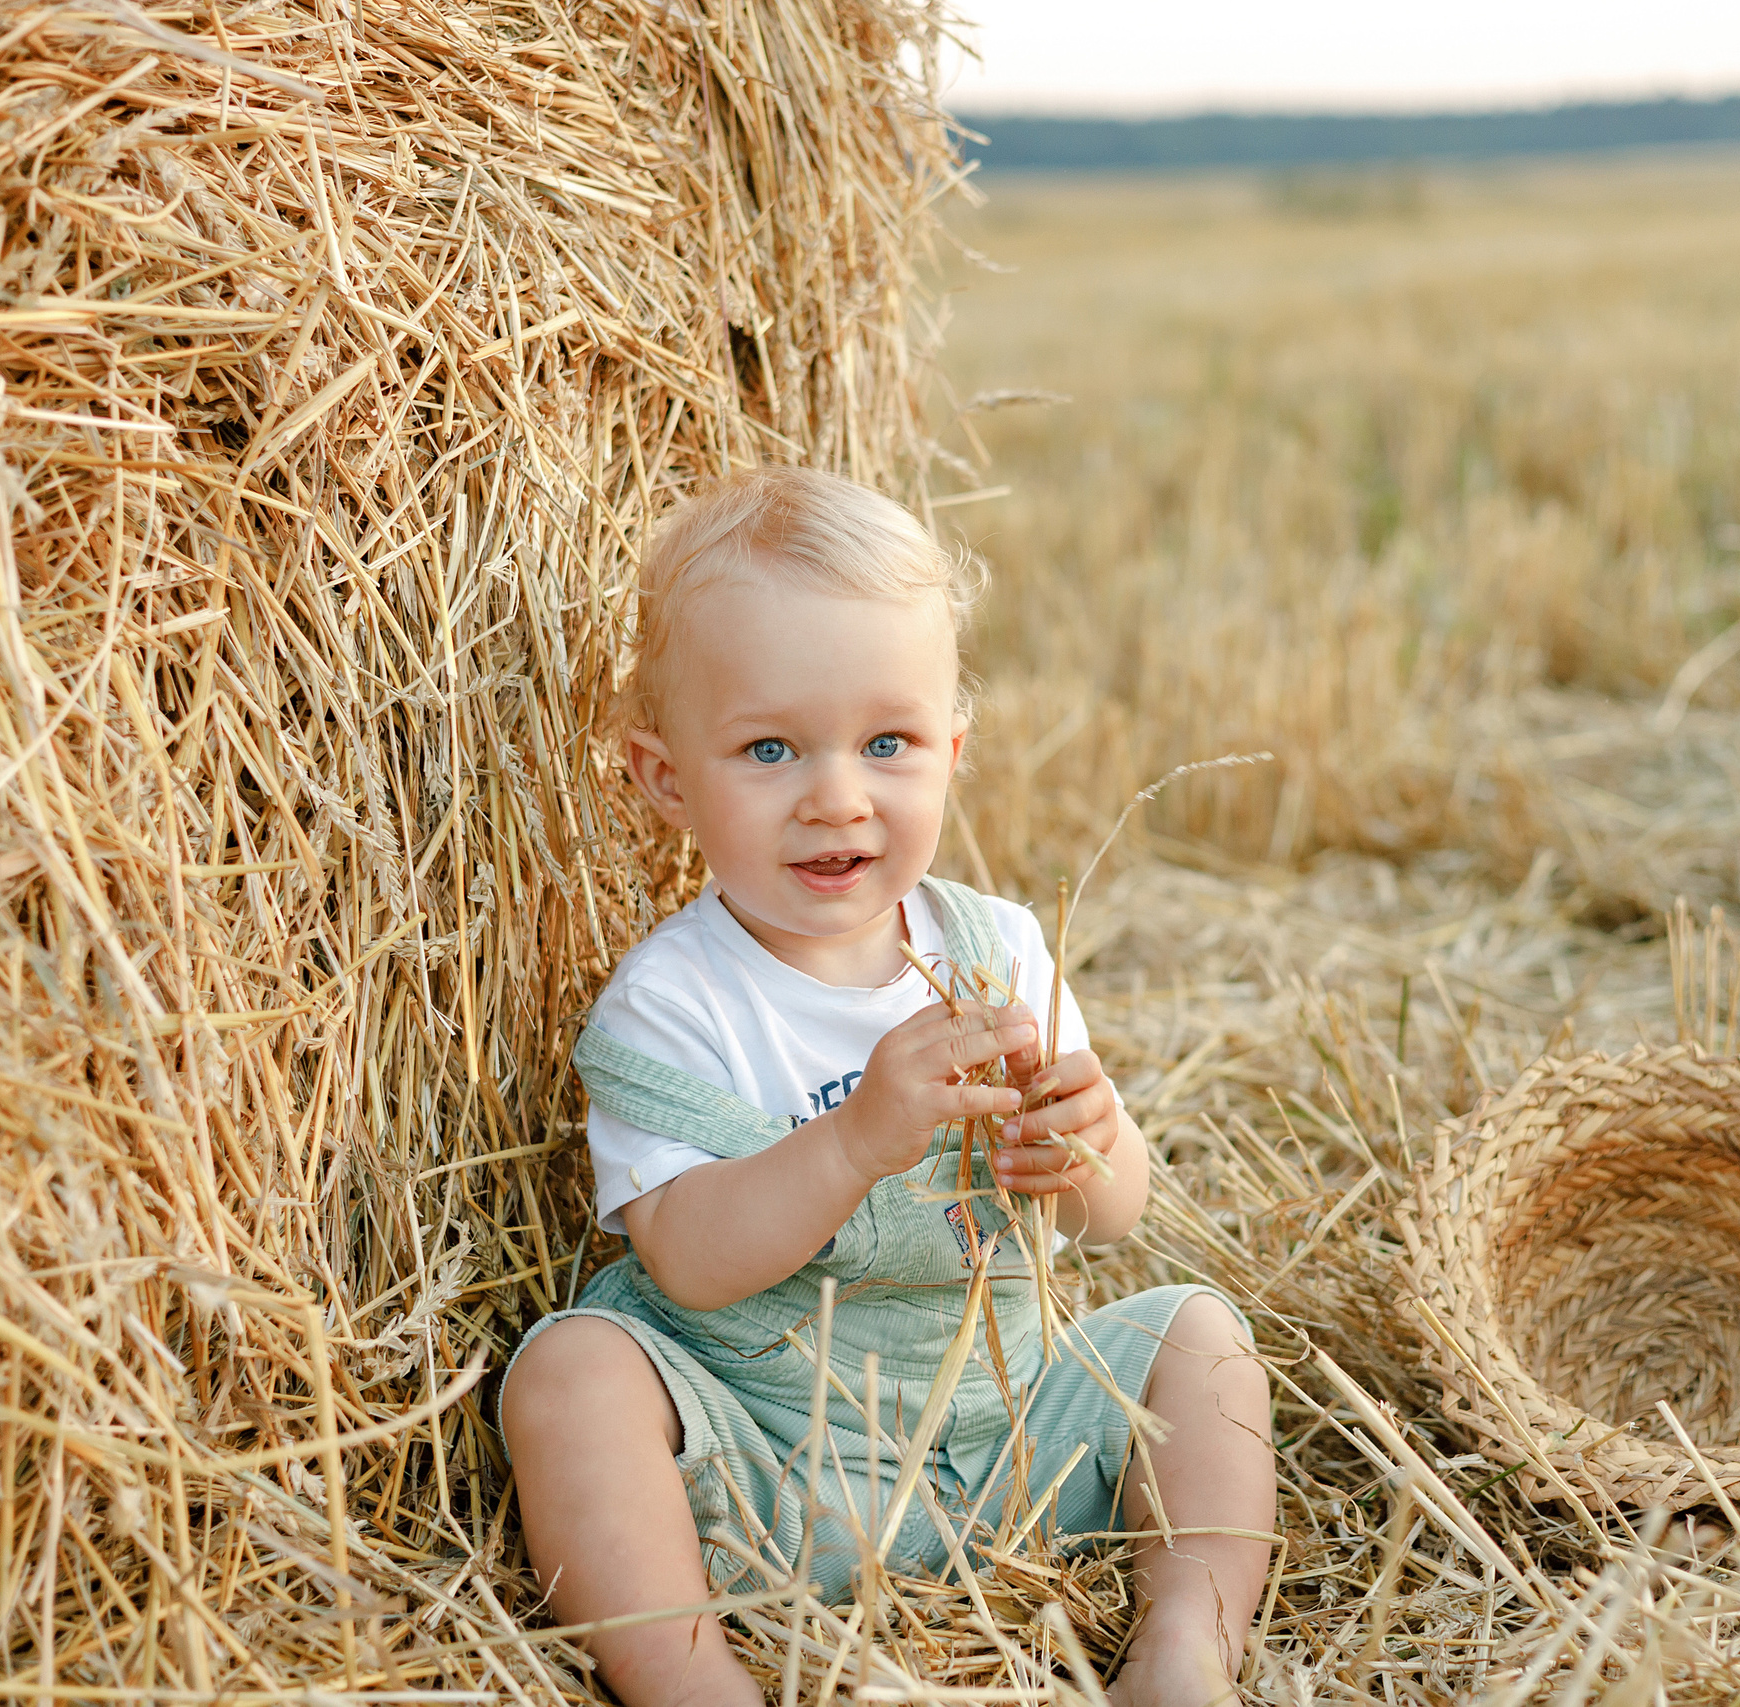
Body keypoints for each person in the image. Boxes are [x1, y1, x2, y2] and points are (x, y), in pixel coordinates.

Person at [499, 466, 1275, 1707]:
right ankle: (691, 1680)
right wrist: (854, 1140)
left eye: (887, 744)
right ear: (665, 778)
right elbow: (686, 1261)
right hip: (775, 1456)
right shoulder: (674, 1000)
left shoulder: (997, 948)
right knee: (570, 1376)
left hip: (1009, 1430)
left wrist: (1085, 1147)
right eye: (769, 748)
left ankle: (1185, 1644)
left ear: (951, 753)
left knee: (1201, 1339)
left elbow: (1110, 1218)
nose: (837, 797)